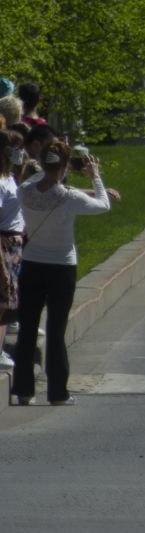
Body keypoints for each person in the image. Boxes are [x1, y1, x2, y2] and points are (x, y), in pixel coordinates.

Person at [11, 141, 112, 405]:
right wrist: (95, 176)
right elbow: (103, 205)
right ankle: (57, 393)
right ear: (65, 166)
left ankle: (23, 391)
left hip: (31, 264)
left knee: (27, 329)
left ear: (44, 164)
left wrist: (41, 167)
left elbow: (34, 180)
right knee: (55, 329)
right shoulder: (69, 197)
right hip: (62, 267)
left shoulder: (25, 191)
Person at [0, 132, 23, 375]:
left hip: (15, 244)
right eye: (14, 148)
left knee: (9, 299)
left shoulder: (9, 177)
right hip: (4, 242)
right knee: (2, 298)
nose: (19, 152)